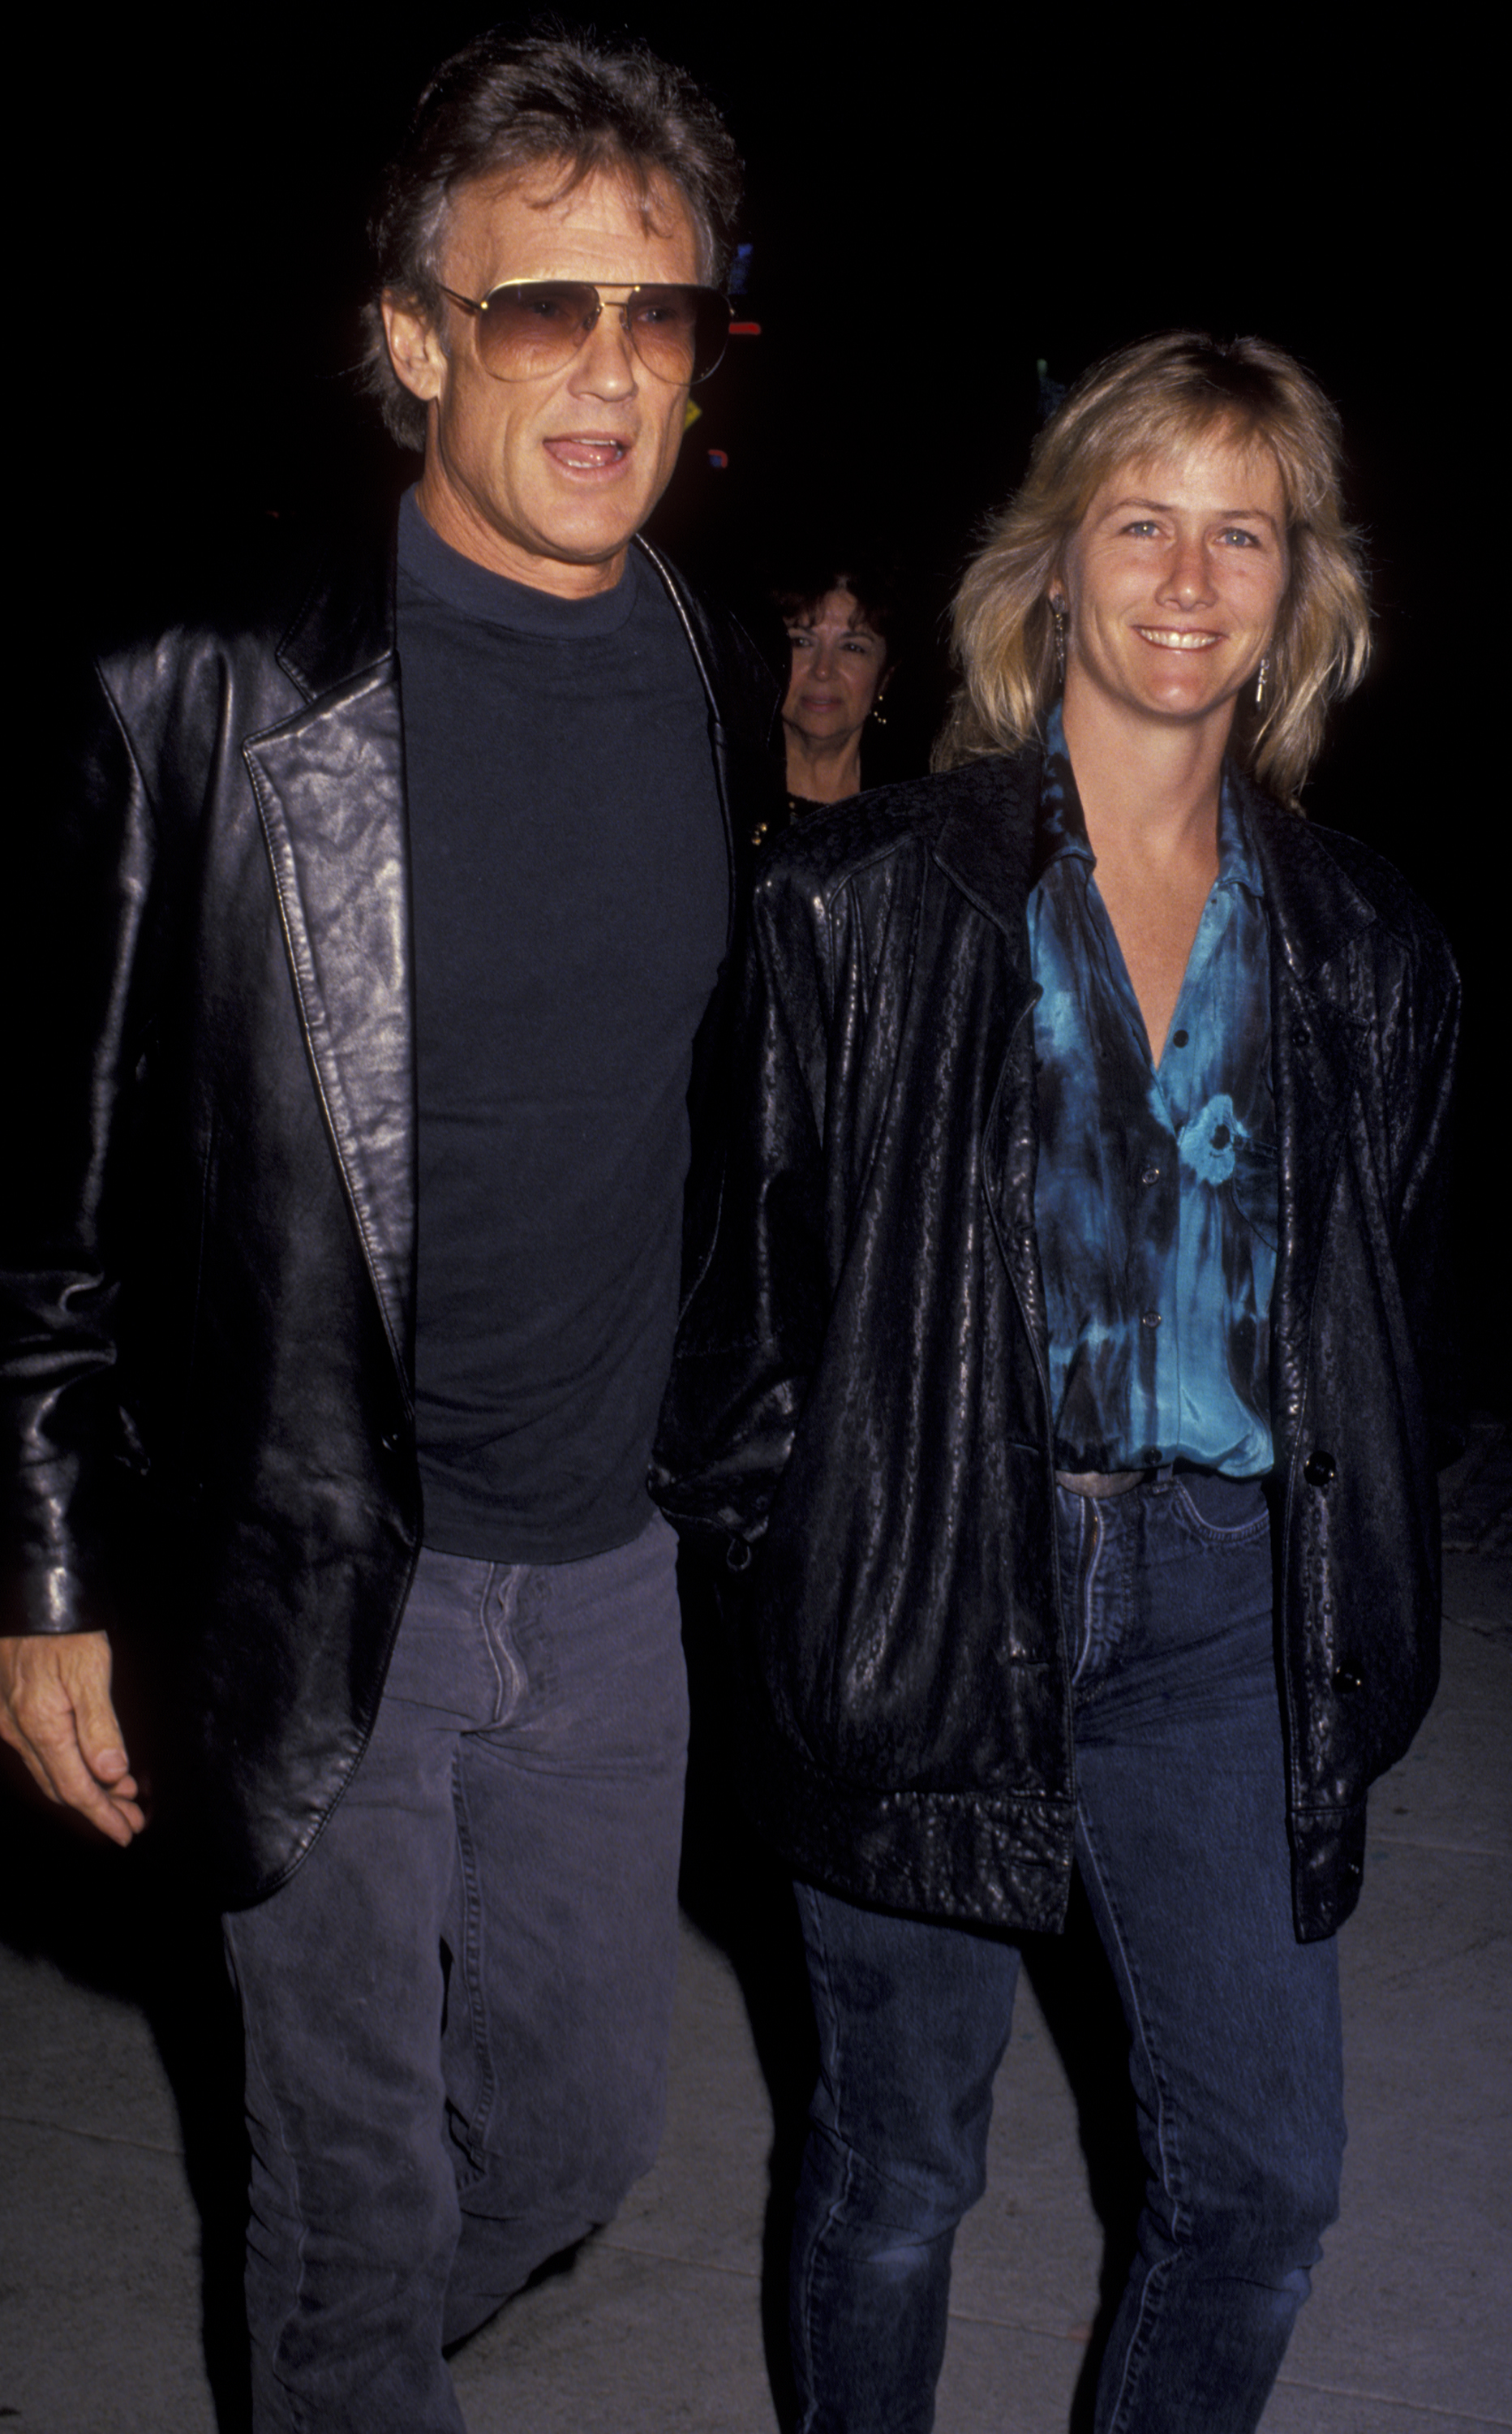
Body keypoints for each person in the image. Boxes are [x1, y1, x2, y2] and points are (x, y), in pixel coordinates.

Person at [1, 28, 778, 2431]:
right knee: (353, 2195)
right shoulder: (208, 699)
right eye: (547, 309)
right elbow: (55, 1180)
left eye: (667, 314)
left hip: (609, 1569)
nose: (611, 370)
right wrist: (42, 1585)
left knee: (568, 2142)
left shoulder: (698, 665)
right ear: (417, 340)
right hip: (330, 1566)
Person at [655, 332, 1461, 2432]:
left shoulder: (1371, 949)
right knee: (905, 2171)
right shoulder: (860, 904)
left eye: (1243, 533)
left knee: (1267, 2192)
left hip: (1221, 1613)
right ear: (1055, 564)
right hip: (928, 1585)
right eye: (1141, 521)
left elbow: (1396, 1332)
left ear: (1302, 593)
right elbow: (734, 1337)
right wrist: (807, 1588)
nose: (1189, 579)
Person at [760, 563, 897, 840]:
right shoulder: (722, 783)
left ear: (884, 678)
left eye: (853, 647)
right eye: (801, 642)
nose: (823, 670)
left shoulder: (912, 809)